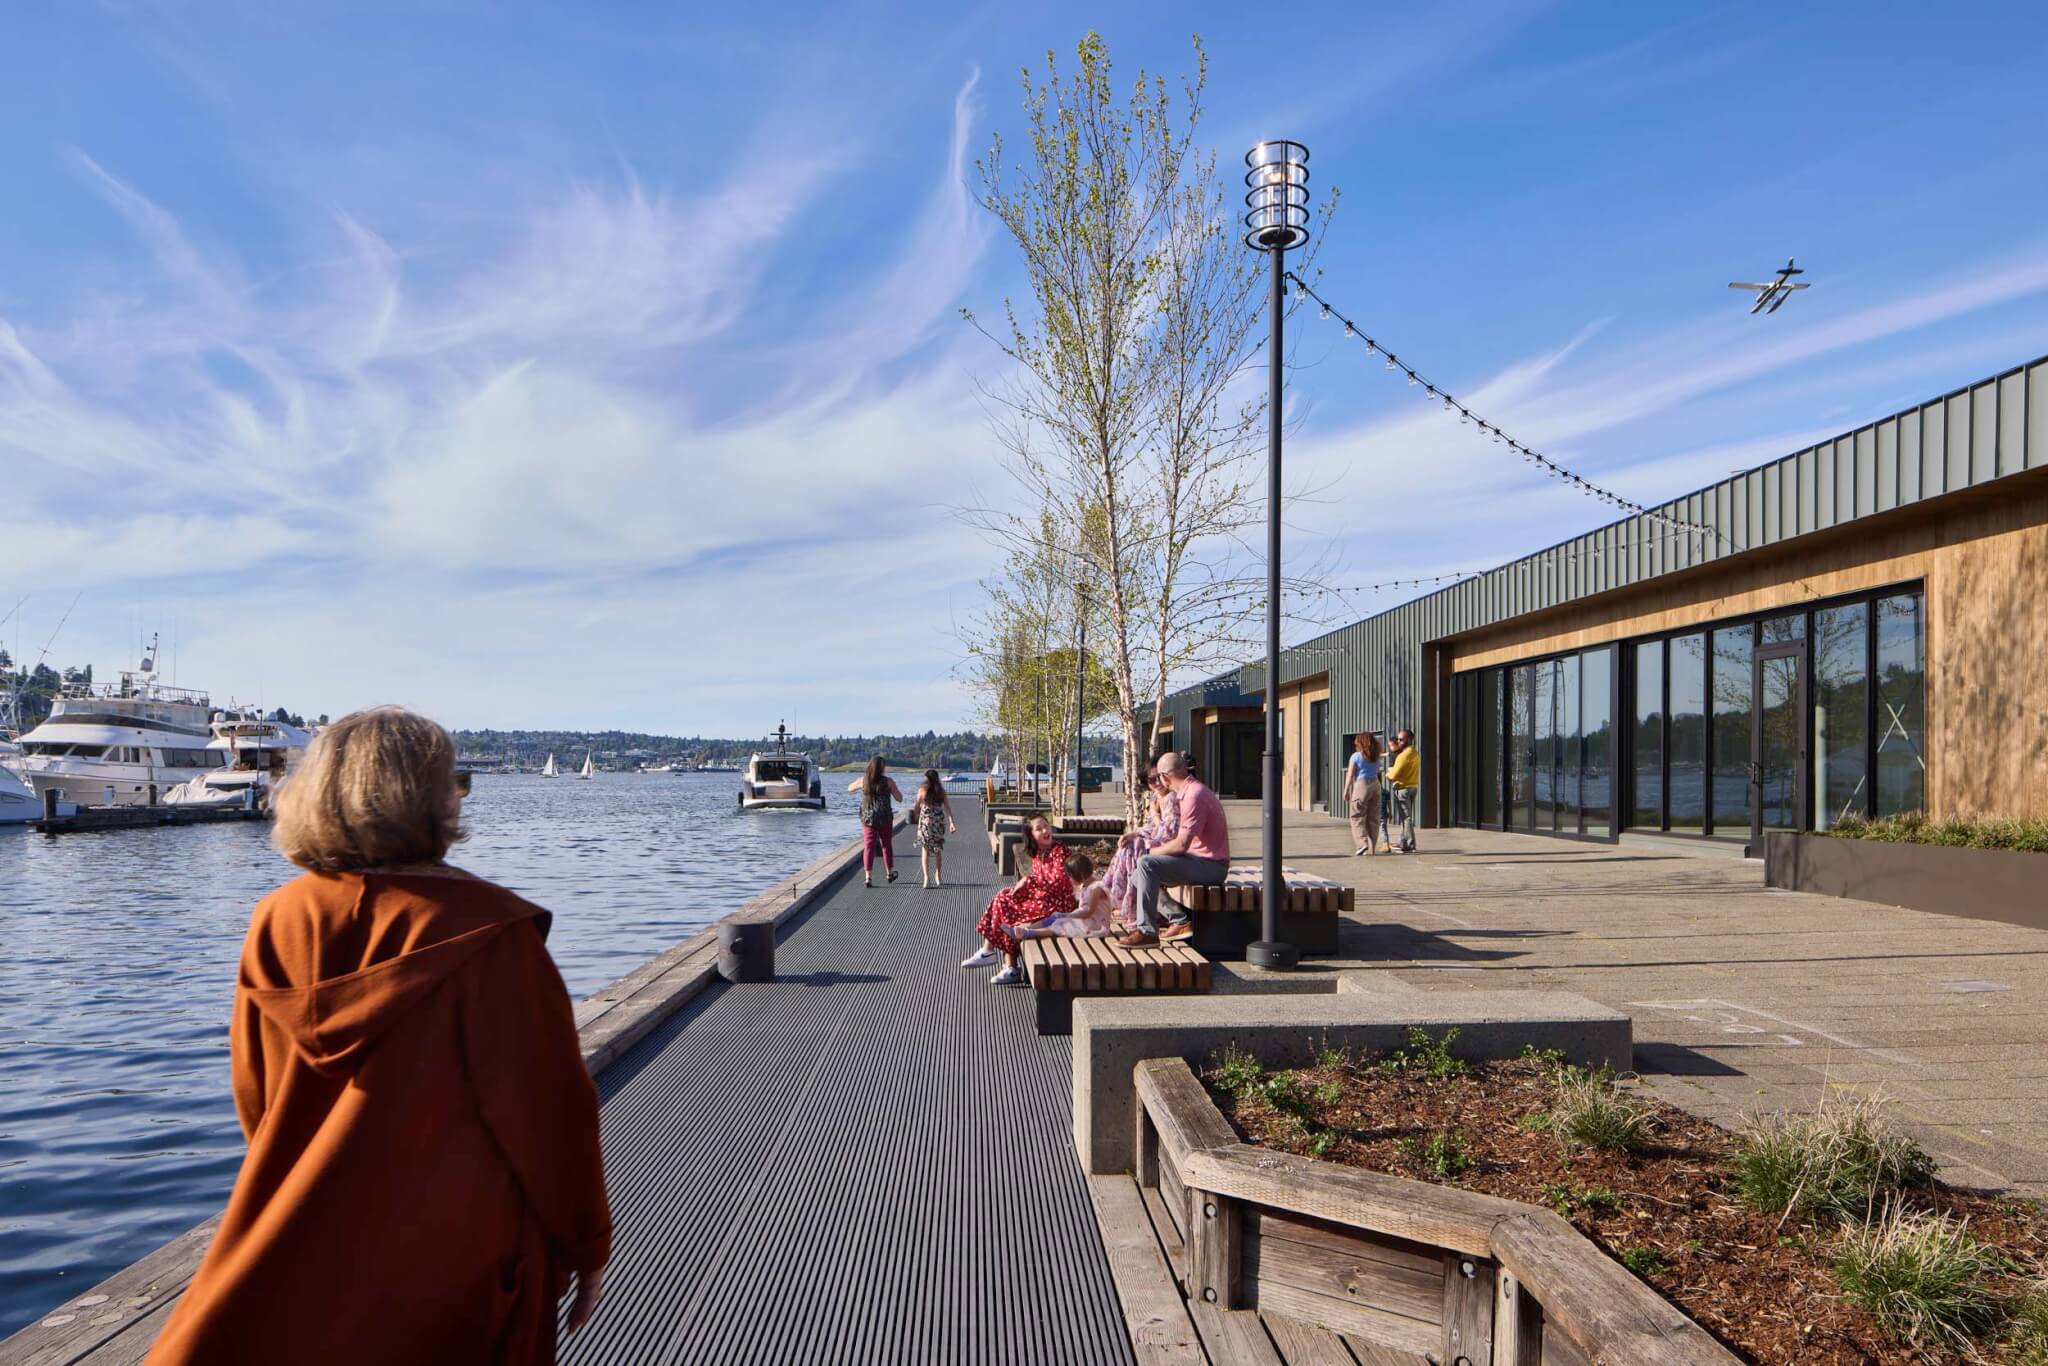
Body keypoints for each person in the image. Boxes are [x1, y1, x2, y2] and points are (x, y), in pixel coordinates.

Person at [146, 707, 610, 1366]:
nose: (458, 796)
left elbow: (259, 1097)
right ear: (426, 798)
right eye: (455, 782)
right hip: (462, 1261)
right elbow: (549, 1115)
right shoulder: (492, 934)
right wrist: (585, 1244)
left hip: (312, 1247)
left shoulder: (279, 921)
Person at [1117, 751, 1229, 947]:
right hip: (1200, 860)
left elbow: (1181, 844)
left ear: (1165, 776)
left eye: (1157, 777)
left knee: (1146, 864)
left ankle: (1147, 932)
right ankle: (1179, 921)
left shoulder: (1194, 796)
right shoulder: (1189, 792)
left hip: (1211, 866)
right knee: (1138, 875)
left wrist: (1150, 853)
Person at [961, 815, 1076, 985]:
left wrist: (1027, 880)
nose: (1045, 830)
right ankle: (999, 959)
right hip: (1044, 900)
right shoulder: (1038, 853)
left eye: (1046, 826)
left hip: (1059, 905)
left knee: (1008, 910)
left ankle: (1004, 962)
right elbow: (1040, 880)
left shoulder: (1059, 850)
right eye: (1039, 828)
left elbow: (1059, 881)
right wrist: (1023, 885)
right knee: (1003, 896)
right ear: (1031, 835)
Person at [1100, 764, 1177, 924]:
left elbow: (1169, 833)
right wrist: (1132, 834)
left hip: (1172, 845)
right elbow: (1150, 827)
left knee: (1134, 849)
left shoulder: (1172, 798)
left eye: (1159, 777)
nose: (1157, 783)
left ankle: (1134, 907)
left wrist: (1155, 814)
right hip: (1159, 840)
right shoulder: (1156, 797)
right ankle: (1131, 906)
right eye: (1151, 780)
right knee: (1128, 845)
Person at [1016, 853, 1113, 939]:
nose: (1069, 879)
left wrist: (1067, 915)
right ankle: (1026, 928)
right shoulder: (1086, 883)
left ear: (1080, 875)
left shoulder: (1096, 888)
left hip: (1096, 926)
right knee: (1055, 917)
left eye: (1070, 876)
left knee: (1062, 924)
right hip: (1086, 919)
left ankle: (1030, 933)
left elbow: (1088, 912)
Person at [847, 755, 904, 886]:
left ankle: (868, 877)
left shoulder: (863, 781)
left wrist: (859, 783)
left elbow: (849, 789)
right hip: (884, 818)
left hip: (868, 818)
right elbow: (899, 798)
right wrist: (894, 788)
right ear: (882, 768)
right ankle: (889, 873)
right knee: (886, 845)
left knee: (869, 846)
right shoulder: (888, 781)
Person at [909, 768, 958, 888]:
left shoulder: (922, 790)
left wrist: (916, 815)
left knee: (925, 850)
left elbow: (916, 806)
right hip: (938, 823)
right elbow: (947, 807)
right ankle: (938, 876)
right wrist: (951, 823)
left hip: (925, 823)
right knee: (937, 850)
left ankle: (926, 878)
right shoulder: (941, 791)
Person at [1344, 732, 1382, 857]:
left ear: (1360, 742)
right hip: (1376, 785)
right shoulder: (1376, 756)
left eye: (1356, 741)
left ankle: (1362, 844)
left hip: (1362, 785)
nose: (1354, 743)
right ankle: (1372, 848)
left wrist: (1346, 791)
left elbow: (1350, 775)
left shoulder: (1355, 756)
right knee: (1373, 817)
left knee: (1357, 816)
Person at [1386, 728, 1420, 854]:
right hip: (1413, 787)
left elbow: (1393, 775)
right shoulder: (1415, 753)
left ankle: (1410, 844)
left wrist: (1387, 775)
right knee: (1405, 817)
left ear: (1409, 739)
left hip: (1402, 789)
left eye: (1401, 739)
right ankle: (1403, 842)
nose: (1398, 741)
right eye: (1398, 738)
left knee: (1406, 818)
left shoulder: (1403, 755)